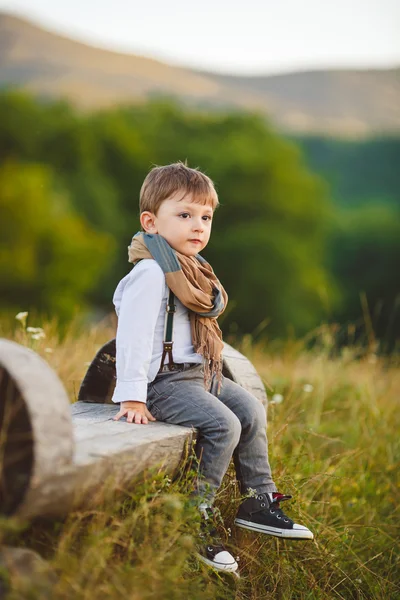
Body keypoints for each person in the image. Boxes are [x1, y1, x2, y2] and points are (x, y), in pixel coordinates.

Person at [112, 162, 313, 573]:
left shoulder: (195, 272)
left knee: (252, 411)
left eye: (205, 217)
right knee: (225, 425)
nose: (197, 225)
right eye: (184, 215)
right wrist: (132, 393)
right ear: (150, 222)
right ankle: (193, 515)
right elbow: (131, 336)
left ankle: (258, 501)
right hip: (162, 382)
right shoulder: (151, 273)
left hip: (199, 375)